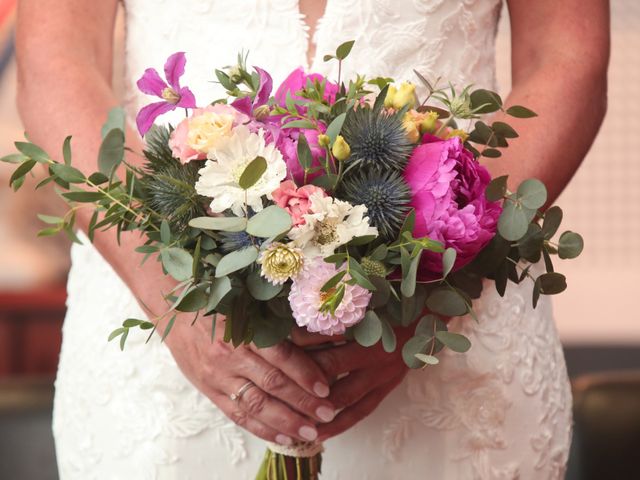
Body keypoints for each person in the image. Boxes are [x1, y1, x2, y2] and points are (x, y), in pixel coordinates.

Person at [16, 0, 609, 478]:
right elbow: (56, 59)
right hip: (166, 336)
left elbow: (567, 59)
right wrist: (176, 298)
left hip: (452, 332)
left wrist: (436, 283)